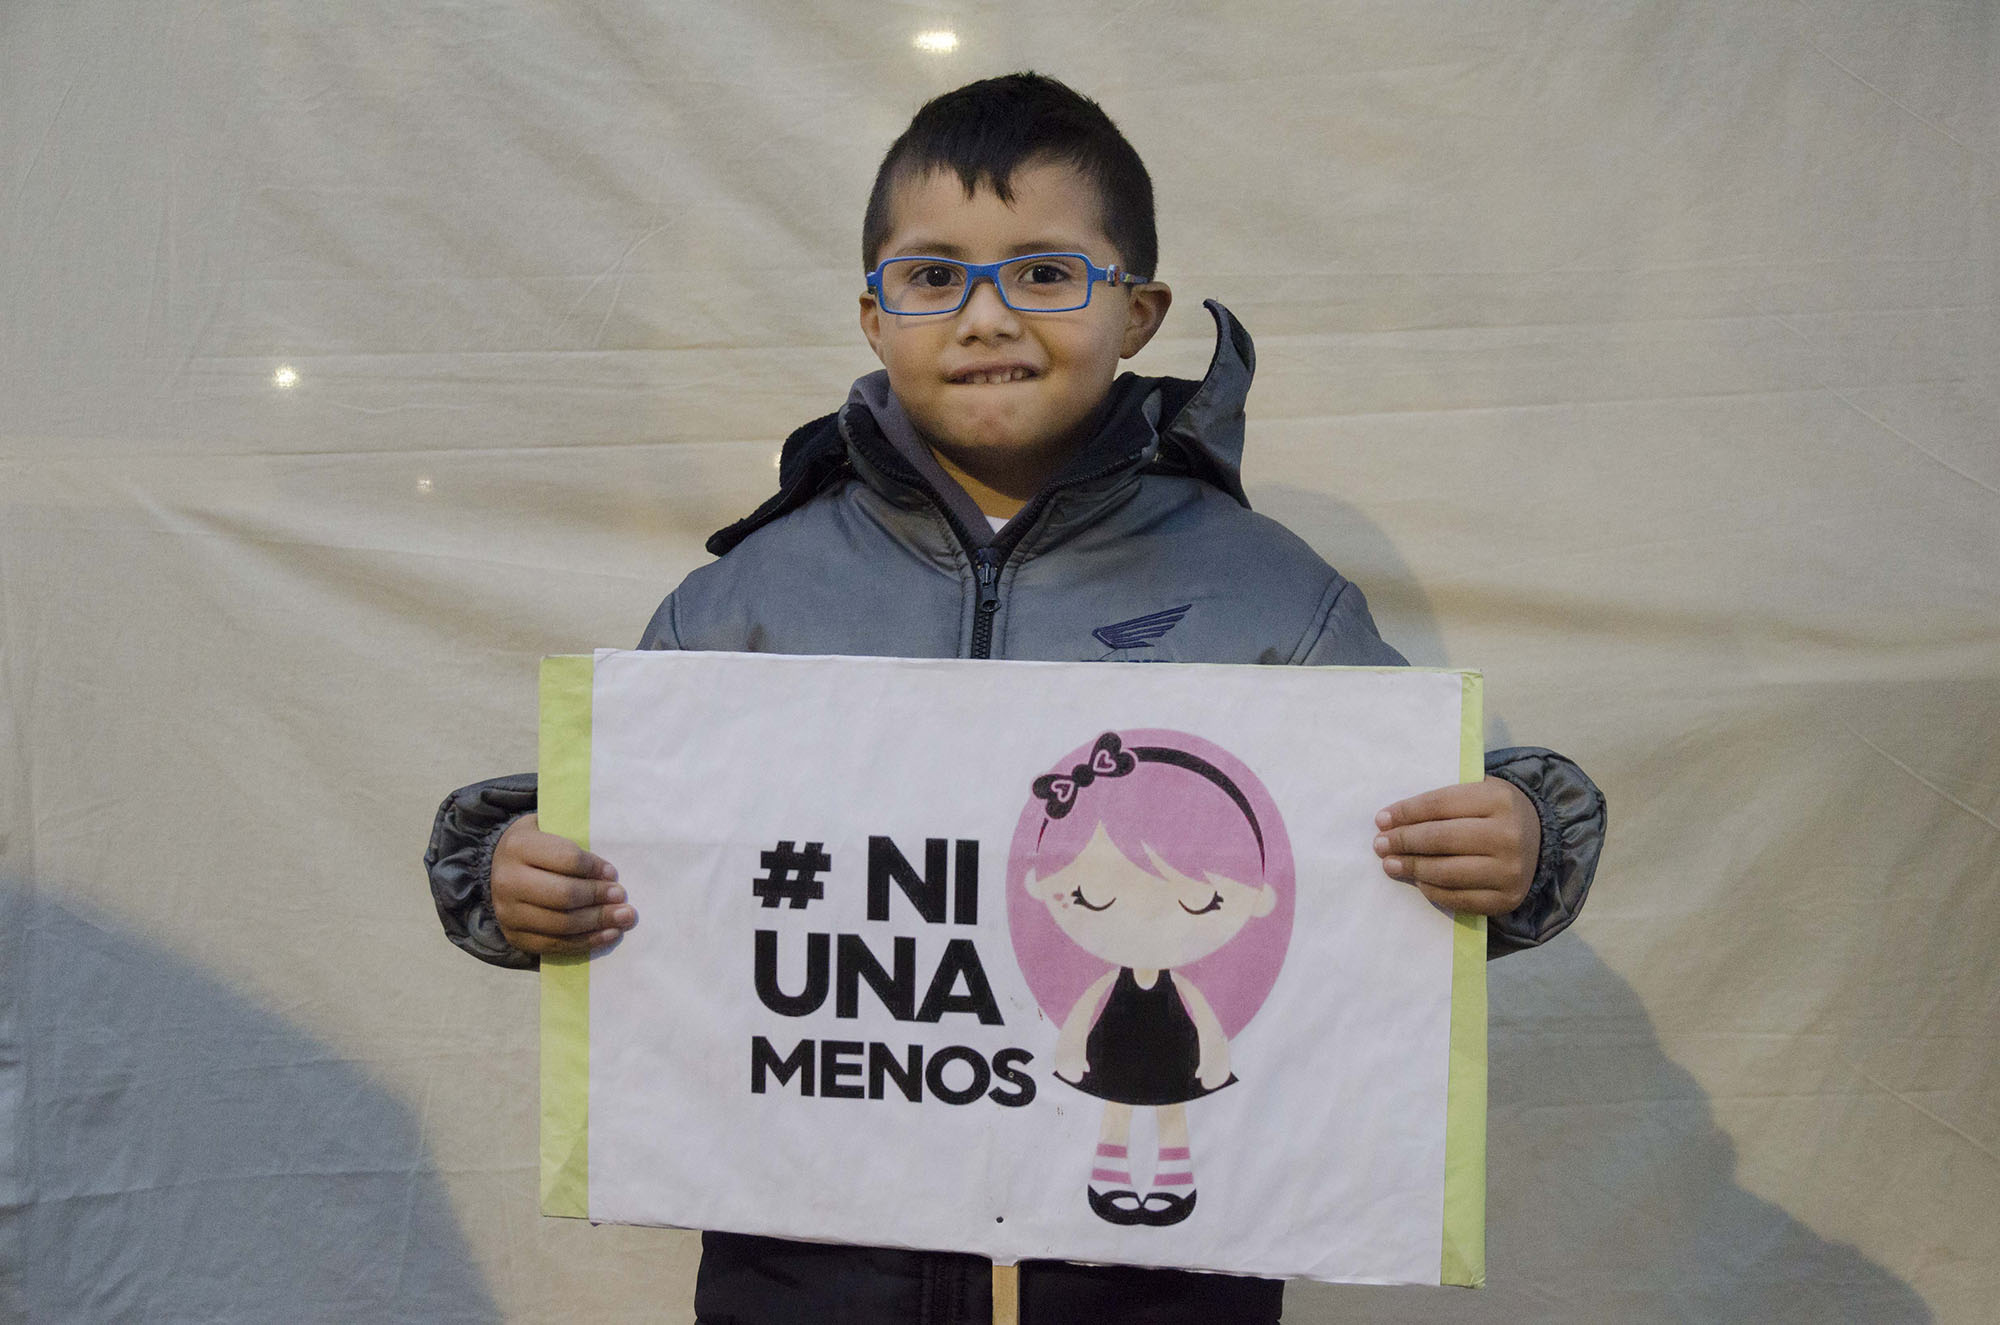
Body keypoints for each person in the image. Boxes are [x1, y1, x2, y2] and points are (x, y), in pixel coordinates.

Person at [426, 72, 1608, 1325]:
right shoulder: (750, 596)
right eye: (933, 276)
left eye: (1045, 272)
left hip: (1159, 1281)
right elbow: (600, 832)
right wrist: (512, 868)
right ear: (872, 317)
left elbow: (1441, 804)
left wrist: (1516, 836)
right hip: (808, 1269)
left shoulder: (1264, 590)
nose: (985, 314)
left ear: (1138, 312)